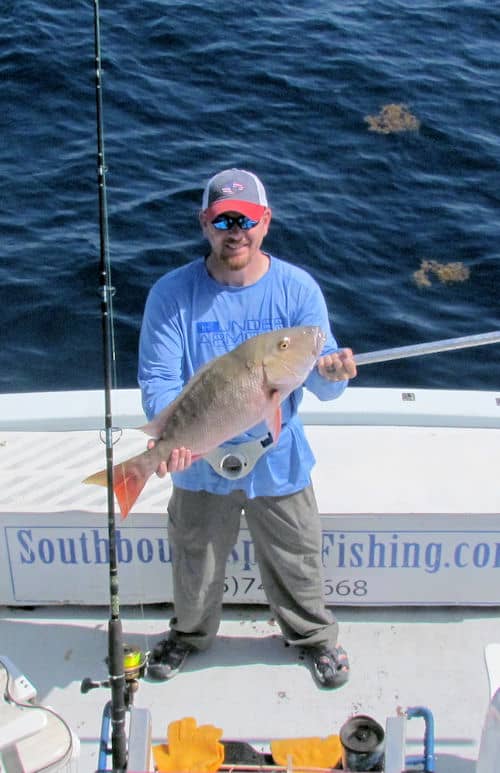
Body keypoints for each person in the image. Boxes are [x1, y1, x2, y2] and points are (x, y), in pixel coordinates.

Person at [138, 168, 357, 688]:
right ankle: (188, 635)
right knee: (196, 559)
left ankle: (313, 638)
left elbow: (323, 384)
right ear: (205, 224)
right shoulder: (172, 294)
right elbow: (159, 379)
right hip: (197, 459)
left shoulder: (297, 290)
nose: (235, 231)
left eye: (247, 220)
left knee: (297, 554)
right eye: (222, 220)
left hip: (278, 455)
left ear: (266, 222)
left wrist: (334, 373)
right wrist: (171, 444)